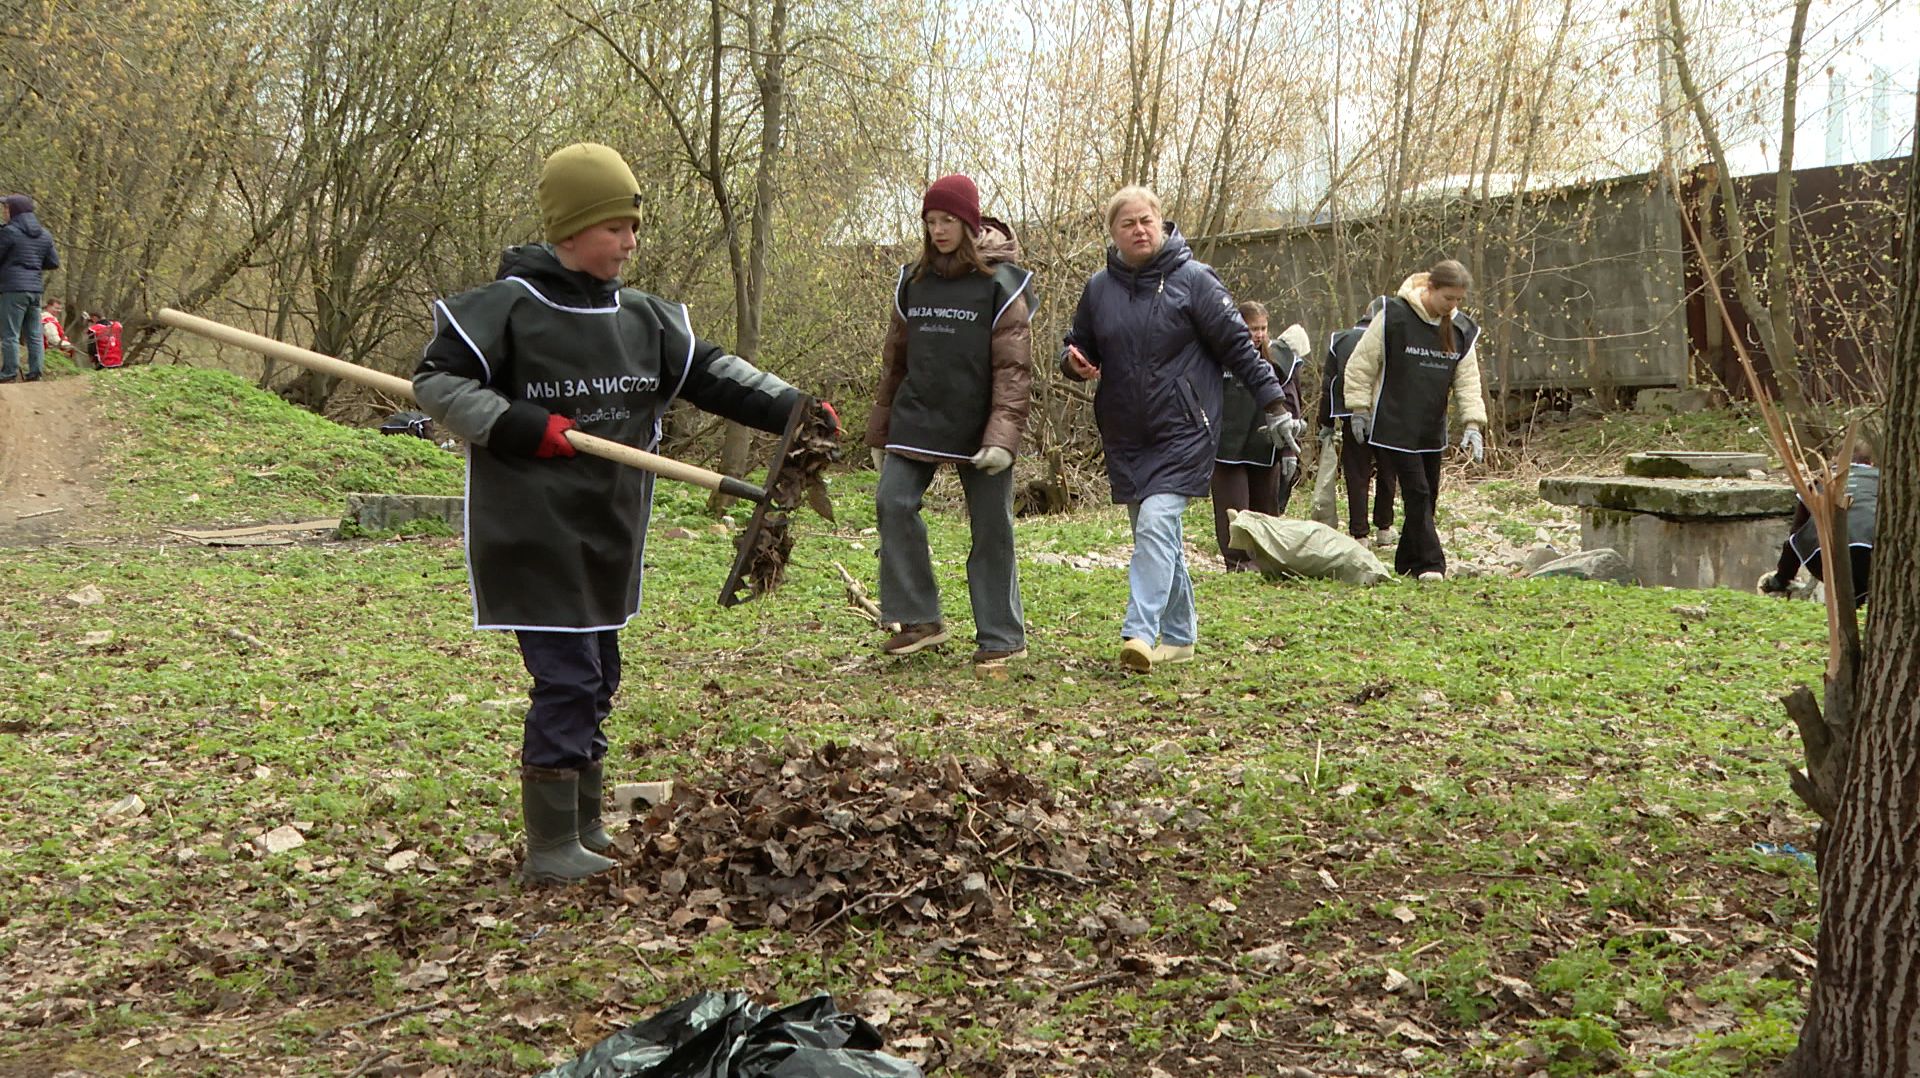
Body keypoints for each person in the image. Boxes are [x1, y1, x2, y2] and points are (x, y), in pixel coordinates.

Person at [412, 143, 838, 885]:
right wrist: (518, 423)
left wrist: (790, 407)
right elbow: (437, 383)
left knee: (599, 672)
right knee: (569, 678)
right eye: (616, 226)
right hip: (533, 530)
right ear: (571, 229)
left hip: (608, 526)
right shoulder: (506, 310)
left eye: (634, 226)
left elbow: (709, 372)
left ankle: (580, 823)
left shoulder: (643, 318)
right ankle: (547, 850)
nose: (631, 241)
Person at [1062, 185, 1301, 672]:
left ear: (1162, 222)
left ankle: (1140, 632)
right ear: (1113, 233)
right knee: (1154, 534)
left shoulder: (1194, 281)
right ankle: (1180, 633)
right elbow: (1078, 345)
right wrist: (1073, 363)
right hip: (1126, 431)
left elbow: (1240, 348)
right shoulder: (1098, 289)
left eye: (1147, 219)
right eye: (1127, 223)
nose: (1139, 229)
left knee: (1155, 524)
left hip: (1185, 429)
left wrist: (1274, 405)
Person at [865, 175, 1035, 674]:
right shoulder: (911, 281)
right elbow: (894, 362)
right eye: (931, 221)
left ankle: (1002, 634)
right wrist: (881, 431)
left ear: (969, 222)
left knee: (991, 527)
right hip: (917, 417)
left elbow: (1013, 371)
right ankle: (919, 619)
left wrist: (1002, 439)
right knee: (891, 501)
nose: (939, 230)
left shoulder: (1001, 286)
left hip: (981, 424)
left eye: (948, 221)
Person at [1340, 260, 1486, 581]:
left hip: (1431, 429)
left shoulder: (1461, 330)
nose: (1453, 306)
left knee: (1429, 496)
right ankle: (1430, 565)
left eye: (1459, 300)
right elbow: (1360, 365)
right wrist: (1359, 409)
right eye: (1449, 298)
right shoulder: (1393, 316)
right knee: (1417, 492)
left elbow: (1467, 380)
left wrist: (1473, 423)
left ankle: (1406, 561)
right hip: (1393, 425)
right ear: (1431, 288)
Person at [1210, 302, 1306, 569]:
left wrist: (1289, 448)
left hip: (1264, 447)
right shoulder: (1217, 357)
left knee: (1266, 511)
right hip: (1227, 448)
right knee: (1233, 511)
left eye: (1263, 328)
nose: (1259, 334)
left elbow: (1290, 405)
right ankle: (1238, 564)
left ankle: (1266, 561)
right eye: (1253, 329)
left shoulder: (1278, 361)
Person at [1311, 297, 1397, 545]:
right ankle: (1384, 527)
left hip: (1350, 414)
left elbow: (1329, 384)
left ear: (1365, 312)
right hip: (1387, 415)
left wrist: (1325, 422)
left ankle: (1360, 533)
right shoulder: (1395, 339)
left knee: (1356, 473)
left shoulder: (1339, 339)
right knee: (1387, 471)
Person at [1759, 443, 1877, 606]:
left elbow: (1796, 536)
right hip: (1873, 550)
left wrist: (1782, 578)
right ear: (1871, 463)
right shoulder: (1882, 479)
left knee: (1851, 590)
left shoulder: (1820, 482)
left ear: (1833, 461)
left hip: (1822, 555)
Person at [0, 194, 62, 384]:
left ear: (14, 211)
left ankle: (8, 373)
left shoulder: (9, 232)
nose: (4, 211)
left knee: (10, 333)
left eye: (6, 208)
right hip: (35, 289)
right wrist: (32, 264)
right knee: (34, 333)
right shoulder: (44, 234)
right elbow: (53, 262)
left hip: (12, 288)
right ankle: (35, 372)